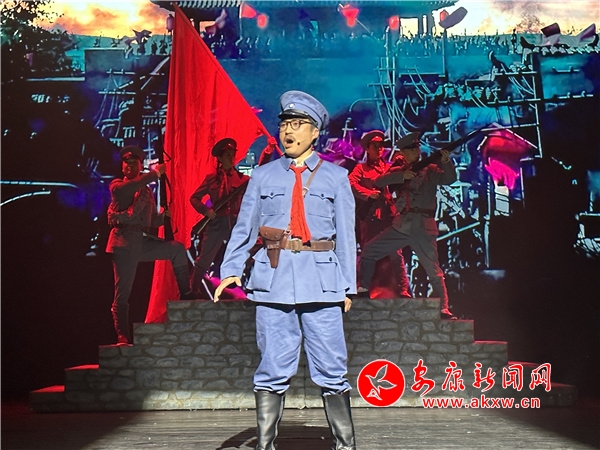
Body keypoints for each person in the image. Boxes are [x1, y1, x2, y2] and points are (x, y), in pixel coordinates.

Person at [214, 91, 357, 450]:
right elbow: (245, 228)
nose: (288, 131)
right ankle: (265, 446)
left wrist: (348, 287)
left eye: (297, 124)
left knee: (332, 369)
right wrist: (231, 268)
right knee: (272, 369)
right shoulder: (262, 176)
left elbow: (346, 235)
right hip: (273, 282)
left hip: (322, 283)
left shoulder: (336, 177)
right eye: (285, 125)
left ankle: (345, 446)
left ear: (314, 132)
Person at [358, 132, 457, 320]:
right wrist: (402, 175)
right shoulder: (399, 170)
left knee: (433, 270)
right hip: (403, 225)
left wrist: (446, 161)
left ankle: (443, 308)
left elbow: (449, 179)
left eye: (416, 148)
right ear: (403, 152)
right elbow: (379, 181)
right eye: (410, 150)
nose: (414, 152)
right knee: (369, 250)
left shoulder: (430, 169)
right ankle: (363, 290)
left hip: (423, 226)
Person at [106, 146, 194, 345]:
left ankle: (186, 293)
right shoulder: (118, 186)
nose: (130, 166)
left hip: (141, 241)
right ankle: (122, 334)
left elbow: (150, 221)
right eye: (127, 163)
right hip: (124, 243)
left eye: (134, 163)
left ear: (140, 166)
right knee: (122, 293)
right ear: (122, 167)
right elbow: (128, 189)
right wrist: (155, 174)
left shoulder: (145, 192)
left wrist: (163, 217)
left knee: (176, 249)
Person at [348, 130, 411, 298]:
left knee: (396, 253)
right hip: (370, 216)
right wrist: (368, 194)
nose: (379, 149)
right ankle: (363, 287)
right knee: (367, 252)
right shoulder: (361, 168)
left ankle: (403, 289)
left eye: (381, 145)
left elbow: (403, 181)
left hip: (388, 215)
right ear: (368, 148)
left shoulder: (390, 167)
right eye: (375, 145)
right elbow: (351, 183)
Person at [189, 138, 250, 296]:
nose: (231, 158)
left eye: (232, 154)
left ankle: (250, 289)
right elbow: (194, 198)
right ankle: (192, 290)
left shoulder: (242, 179)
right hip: (216, 223)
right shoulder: (211, 179)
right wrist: (206, 211)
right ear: (220, 158)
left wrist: (267, 152)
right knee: (204, 259)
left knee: (247, 253)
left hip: (235, 223)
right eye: (227, 154)